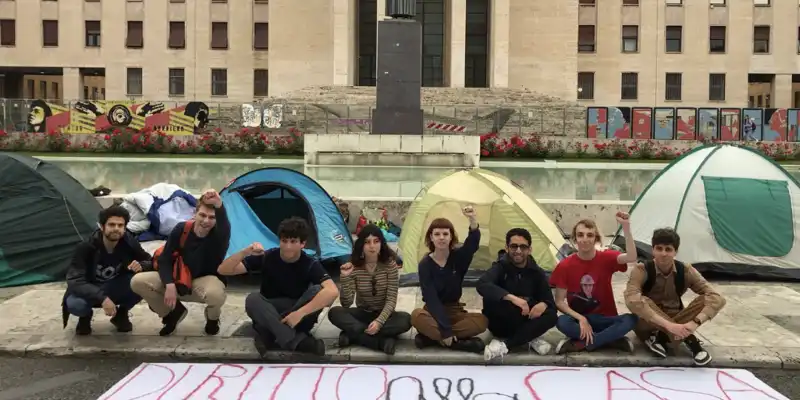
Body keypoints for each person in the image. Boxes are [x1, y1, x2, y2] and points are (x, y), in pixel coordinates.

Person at [217, 217, 339, 356]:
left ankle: (271, 334)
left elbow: (332, 291)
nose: (287, 246)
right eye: (284, 241)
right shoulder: (267, 256)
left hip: (297, 315)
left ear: (302, 244)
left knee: (318, 290)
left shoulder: (310, 263)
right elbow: (223, 270)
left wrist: (299, 313)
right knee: (253, 299)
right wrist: (245, 252)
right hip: (270, 309)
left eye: (293, 242)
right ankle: (296, 341)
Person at [130, 189, 230, 336]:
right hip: (178, 279)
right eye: (202, 215)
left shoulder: (219, 236)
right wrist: (169, 283)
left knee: (215, 294)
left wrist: (219, 203)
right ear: (194, 214)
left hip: (202, 282)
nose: (206, 221)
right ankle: (173, 313)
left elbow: (224, 225)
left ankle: (212, 318)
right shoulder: (182, 229)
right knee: (137, 281)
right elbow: (164, 259)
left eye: (211, 217)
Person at [624, 228, 726, 366]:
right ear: (653, 250)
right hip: (649, 321)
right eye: (659, 249)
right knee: (640, 301)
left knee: (708, 299)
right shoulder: (642, 269)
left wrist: (693, 323)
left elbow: (716, 297)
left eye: (668, 249)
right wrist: (670, 326)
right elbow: (631, 299)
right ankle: (689, 340)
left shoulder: (685, 270)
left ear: (675, 252)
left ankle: (662, 338)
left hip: (676, 315)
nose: (663, 254)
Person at [550, 214, 639, 354]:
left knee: (631, 319)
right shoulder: (564, 266)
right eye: (580, 235)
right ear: (574, 238)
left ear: (596, 239)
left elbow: (632, 257)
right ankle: (611, 339)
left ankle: (583, 344)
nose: (585, 239)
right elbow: (560, 302)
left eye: (590, 235)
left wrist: (626, 227)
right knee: (561, 322)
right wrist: (581, 318)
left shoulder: (607, 257)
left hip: (606, 319)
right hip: (579, 321)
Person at [61, 205, 151, 335]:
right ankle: (85, 317)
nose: (116, 229)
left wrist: (142, 265)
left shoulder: (129, 243)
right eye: (111, 225)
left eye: (120, 225)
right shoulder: (86, 246)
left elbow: (150, 261)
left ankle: (121, 315)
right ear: (101, 226)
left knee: (142, 282)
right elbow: (75, 280)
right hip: (89, 288)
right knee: (76, 305)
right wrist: (103, 298)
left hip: (113, 286)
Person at [410, 206, 488, 353]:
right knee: (416, 316)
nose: (441, 237)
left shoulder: (458, 258)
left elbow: (472, 245)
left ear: (451, 237)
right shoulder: (425, 264)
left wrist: (472, 220)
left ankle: (431, 338)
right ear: (431, 237)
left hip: (455, 311)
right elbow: (431, 298)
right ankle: (456, 343)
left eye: (445, 234)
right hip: (433, 311)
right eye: (437, 234)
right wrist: (445, 330)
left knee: (482, 321)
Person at [328, 224, 412, 355]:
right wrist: (345, 278)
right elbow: (346, 303)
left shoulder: (390, 265)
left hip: (384, 315)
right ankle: (381, 342)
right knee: (334, 313)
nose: (372, 246)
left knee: (406, 320)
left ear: (381, 244)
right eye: (367, 242)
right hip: (363, 313)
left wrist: (379, 322)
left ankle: (353, 336)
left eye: (376, 241)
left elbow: (391, 300)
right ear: (361, 245)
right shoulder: (354, 266)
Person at [477, 228, 558, 361]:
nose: (518, 251)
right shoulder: (500, 267)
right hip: (501, 321)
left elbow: (550, 303)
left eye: (523, 247)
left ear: (529, 249)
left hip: (524, 319)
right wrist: (513, 298)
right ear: (507, 248)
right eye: (514, 246)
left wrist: (543, 304)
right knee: (498, 301)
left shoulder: (537, 272)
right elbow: (482, 284)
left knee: (551, 316)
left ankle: (506, 345)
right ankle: (528, 338)